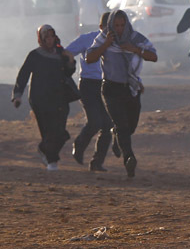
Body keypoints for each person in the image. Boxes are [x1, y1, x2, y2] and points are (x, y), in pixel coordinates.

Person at [86, 10, 157, 177]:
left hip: (131, 88)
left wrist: (134, 49)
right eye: (116, 25)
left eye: (122, 25)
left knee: (130, 125)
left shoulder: (136, 38)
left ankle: (118, 139)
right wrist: (106, 45)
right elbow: (90, 58)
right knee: (122, 125)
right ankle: (129, 158)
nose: (119, 29)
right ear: (111, 25)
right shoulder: (104, 38)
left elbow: (153, 56)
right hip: (111, 88)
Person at [12, 25, 76, 171]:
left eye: (52, 36)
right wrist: (17, 95)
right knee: (48, 131)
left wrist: (70, 61)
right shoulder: (35, 55)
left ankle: (43, 149)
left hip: (60, 98)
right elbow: (23, 75)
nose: (49, 40)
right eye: (46, 37)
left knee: (60, 132)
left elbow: (68, 72)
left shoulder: (61, 53)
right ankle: (52, 162)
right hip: (40, 99)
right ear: (40, 39)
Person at [66, 12, 115, 172]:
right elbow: (67, 53)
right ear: (101, 27)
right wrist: (68, 68)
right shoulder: (88, 39)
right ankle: (79, 145)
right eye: (108, 27)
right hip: (88, 84)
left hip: (106, 85)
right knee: (95, 122)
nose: (111, 30)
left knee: (107, 124)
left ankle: (96, 162)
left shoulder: (118, 42)